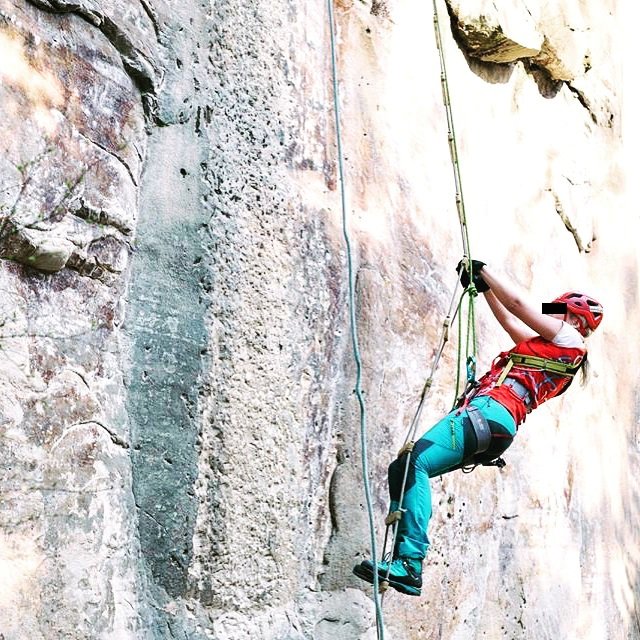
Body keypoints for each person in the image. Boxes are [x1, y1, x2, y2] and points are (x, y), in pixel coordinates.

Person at [353, 260, 604, 596]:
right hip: (497, 427)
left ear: (573, 318)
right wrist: (485, 290)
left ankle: (410, 564)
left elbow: (518, 304)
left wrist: (483, 269)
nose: (551, 314)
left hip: (490, 411)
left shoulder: (571, 338)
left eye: (557, 310)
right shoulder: (554, 351)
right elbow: (510, 320)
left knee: (414, 463)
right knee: (406, 468)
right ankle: (405, 562)